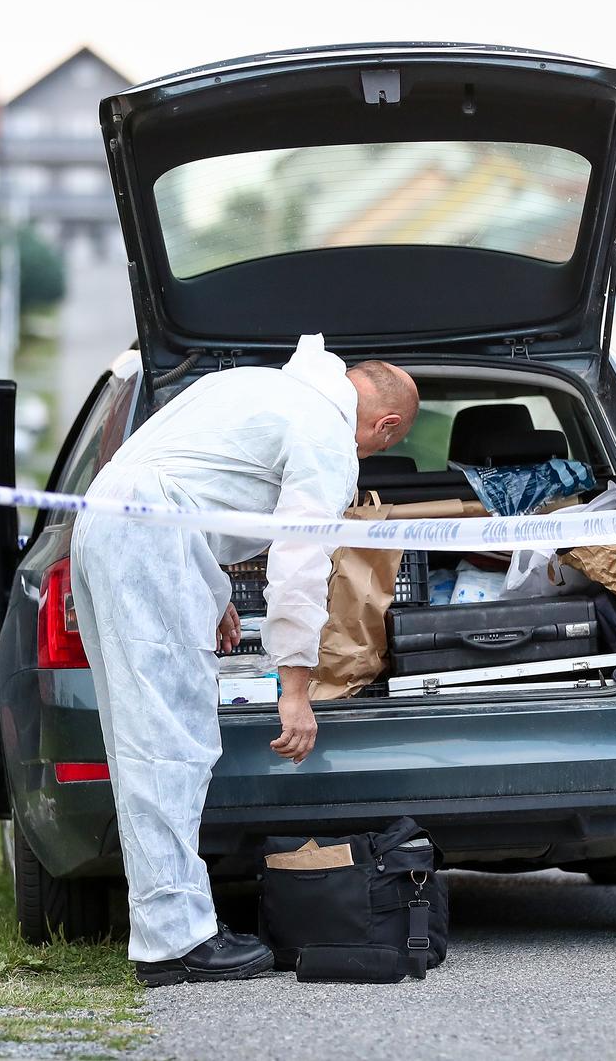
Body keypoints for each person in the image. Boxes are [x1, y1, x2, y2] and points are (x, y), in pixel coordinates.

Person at [70, 333, 418, 987]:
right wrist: (294, 687)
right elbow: (299, 563)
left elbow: (190, 480)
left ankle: (169, 928)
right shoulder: (325, 435)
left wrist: (211, 587)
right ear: (386, 423)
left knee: (142, 740)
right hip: (150, 539)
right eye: (380, 447)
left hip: (112, 526)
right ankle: (175, 942)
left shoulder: (250, 385)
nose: (365, 459)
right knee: (171, 744)